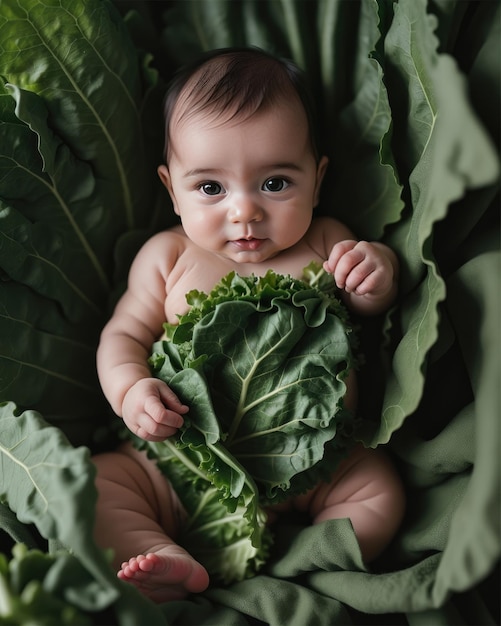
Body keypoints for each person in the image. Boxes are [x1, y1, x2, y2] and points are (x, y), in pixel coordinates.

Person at [92, 47, 405, 604]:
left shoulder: (326, 240)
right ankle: (165, 555)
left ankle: (300, 560)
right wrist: (131, 389)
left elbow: (369, 304)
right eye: (210, 188)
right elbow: (123, 336)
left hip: (315, 464)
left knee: (380, 494)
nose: (245, 212)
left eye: (276, 183)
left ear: (317, 177)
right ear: (171, 189)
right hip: (181, 464)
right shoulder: (167, 257)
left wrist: (374, 275)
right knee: (102, 485)